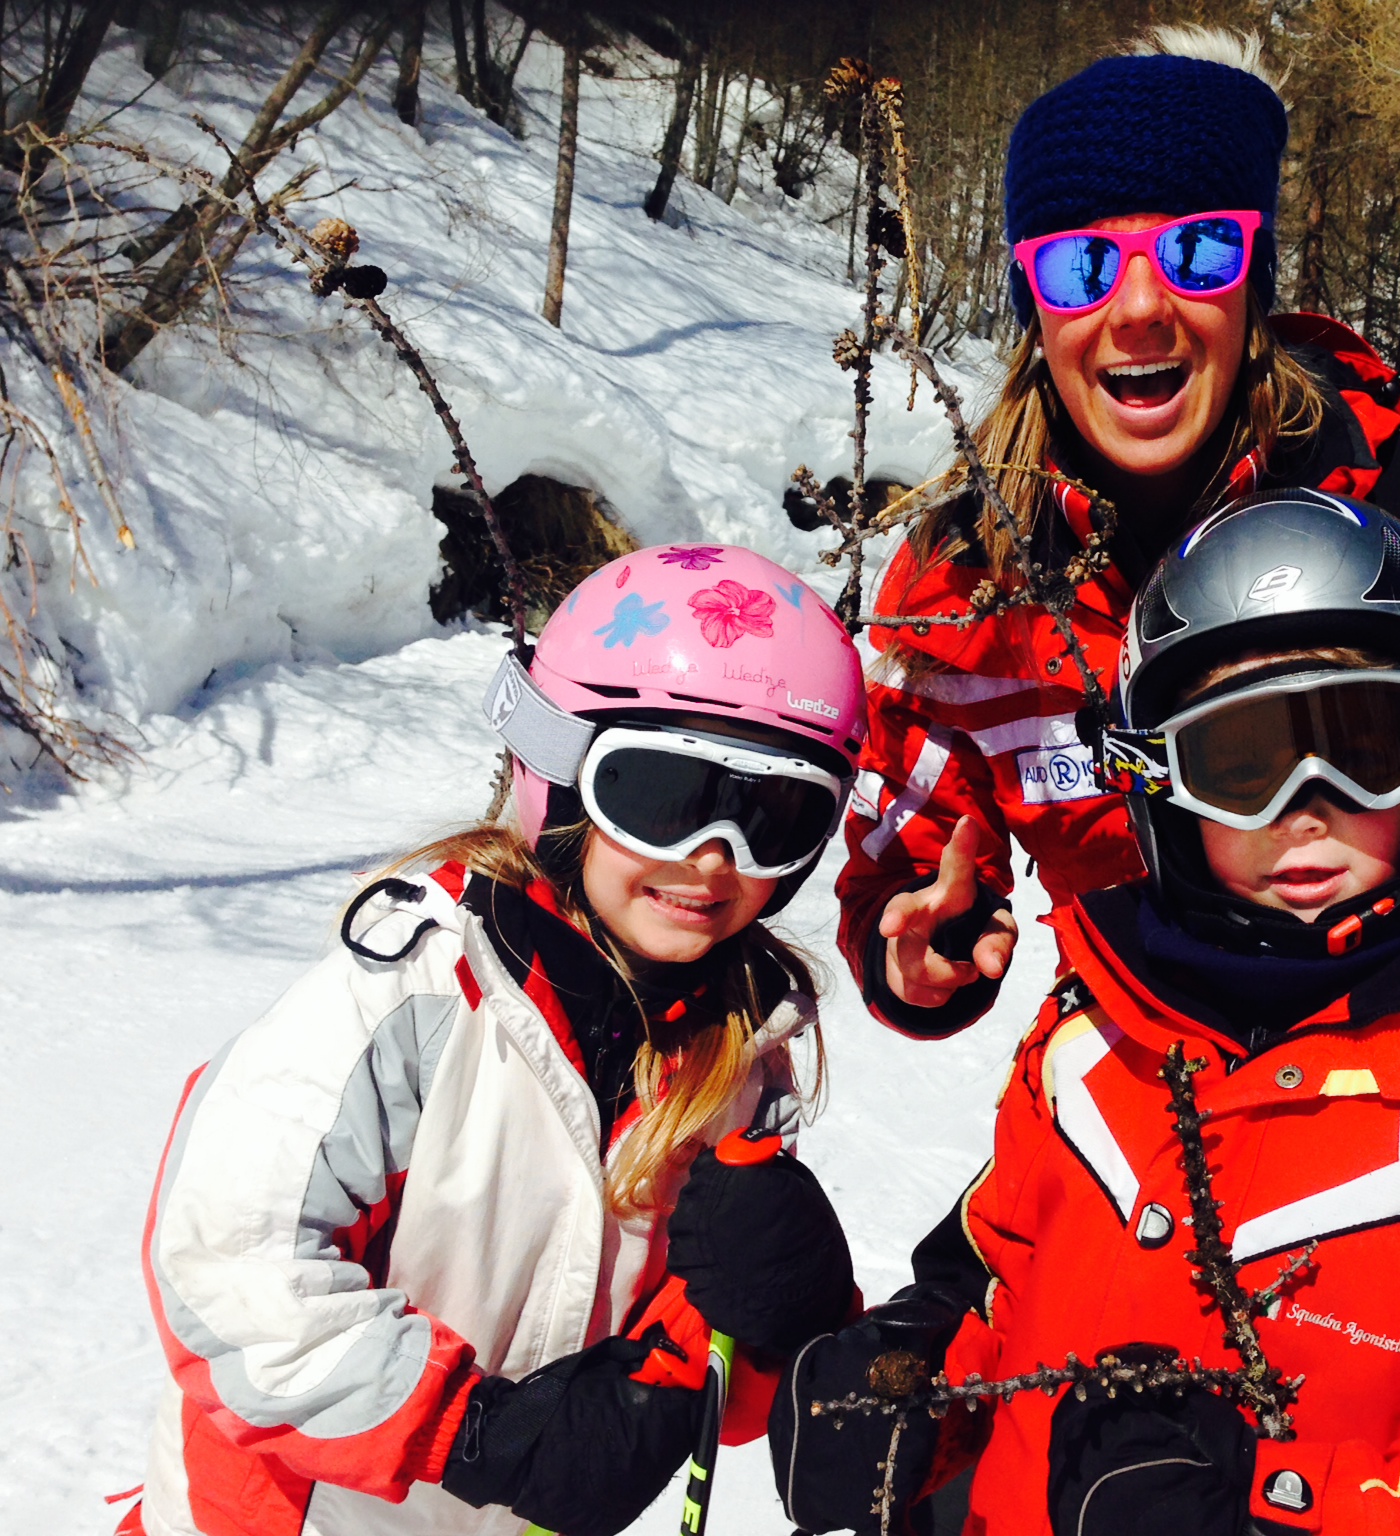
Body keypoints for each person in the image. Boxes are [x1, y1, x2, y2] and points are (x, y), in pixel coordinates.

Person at [777, 494, 1400, 1536]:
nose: (1304, 807)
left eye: (1364, 746)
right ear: (1160, 784)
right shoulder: (1094, 1040)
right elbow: (989, 1286)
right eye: (1240, 764)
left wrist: (1269, 1507)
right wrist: (906, 1396)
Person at [838, 26, 1400, 1043]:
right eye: (1079, 267)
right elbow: (904, 860)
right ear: (1031, 305)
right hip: (1147, 1087)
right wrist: (916, 949)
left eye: (1195, 251)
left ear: (1252, 283)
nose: (1139, 308)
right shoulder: (966, 580)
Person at [126, 546, 867, 1536]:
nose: (711, 858)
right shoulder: (413, 995)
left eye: (773, 815)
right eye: (660, 794)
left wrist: (773, 1323)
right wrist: (474, 1434)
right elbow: (228, 1269)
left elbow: (701, 1387)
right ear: (554, 773)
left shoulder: (737, 1063)